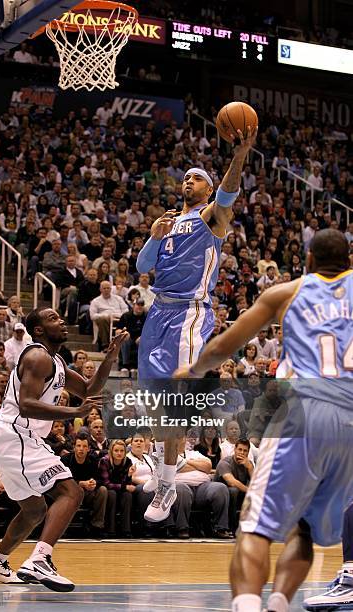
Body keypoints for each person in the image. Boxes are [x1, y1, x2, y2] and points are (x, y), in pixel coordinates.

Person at [175, 228, 353, 612]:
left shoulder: (286, 292)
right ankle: (276, 604)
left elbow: (224, 346)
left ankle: (248, 605)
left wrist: (194, 368)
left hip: (305, 411)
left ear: (306, 261)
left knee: (254, 529)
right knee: (302, 527)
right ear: (349, 261)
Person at [137, 127, 256, 522]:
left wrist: (238, 154)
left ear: (207, 190)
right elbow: (141, 267)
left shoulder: (211, 218)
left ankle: (169, 485)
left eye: (196, 178)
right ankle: (161, 460)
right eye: (185, 177)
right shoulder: (169, 222)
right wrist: (153, 238)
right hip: (158, 311)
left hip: (189, 312)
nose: (188, 182)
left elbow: (228, 193)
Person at [0, 306, 128, 590]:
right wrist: (73, 413)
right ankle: (40, 559)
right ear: (38, 330)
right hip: (16, 435)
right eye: (53, 318)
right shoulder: (37, 356)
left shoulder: (55, 361)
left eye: (60, 316)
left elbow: (88, 390)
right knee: (71, 491)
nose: (61, 320)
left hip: (15, 439)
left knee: (34, 510)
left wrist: (108, 359)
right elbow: (27, 404)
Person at [61, 433, 108, 537]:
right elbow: (62, 481)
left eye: (84, 446)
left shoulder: (93, 460)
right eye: (78, 446)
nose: (81, 449)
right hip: (70, 494)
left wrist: (95, 482)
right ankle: (65, 527)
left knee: (103, 490)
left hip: (88, 494)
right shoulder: (65, 460)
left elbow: (101, 479)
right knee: (77, 490)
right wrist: (80, 483)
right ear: (74, 447)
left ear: (88, 449)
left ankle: (97, 526)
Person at [215, 438, 253, 535]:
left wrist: (249, 468)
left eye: (245, 451)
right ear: (234, 450)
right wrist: (250, 491)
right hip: (221, 495)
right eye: (240, 449)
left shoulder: (248, 464)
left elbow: (257, 483)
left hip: (240, 494)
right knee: (233, 491)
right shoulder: (225, 462)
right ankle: (230, 527)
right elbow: (231, 482)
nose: (242, 453)